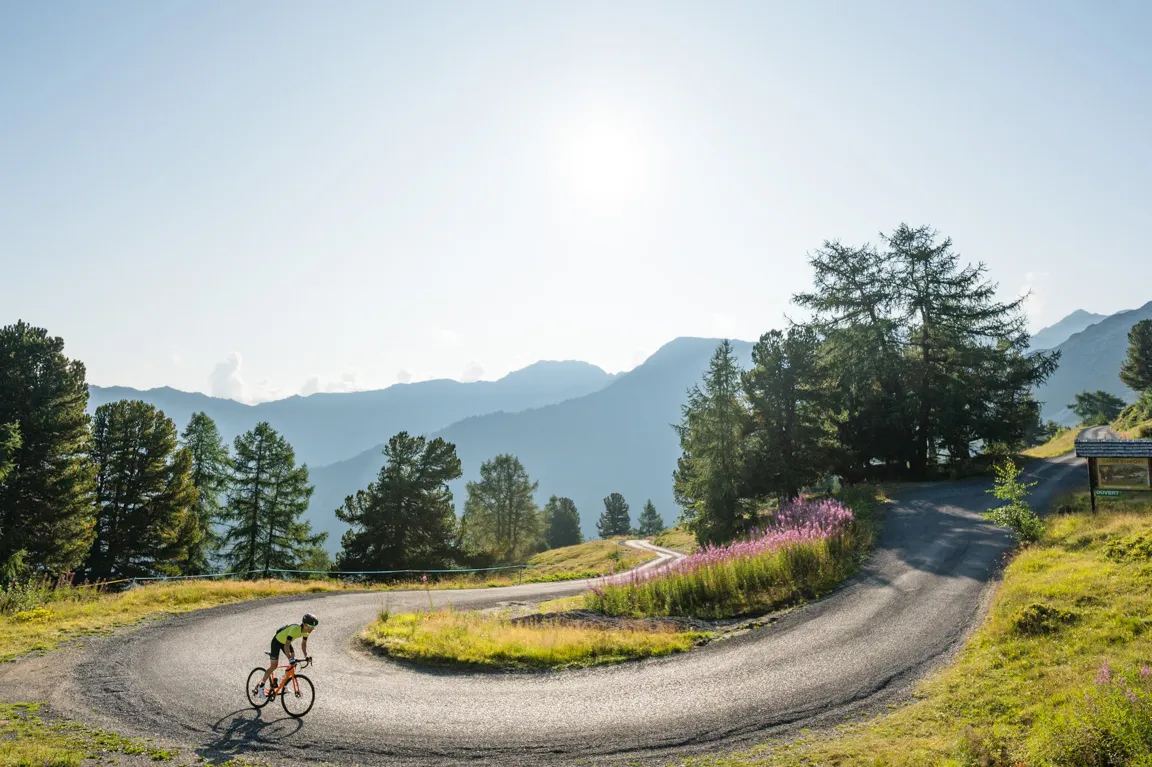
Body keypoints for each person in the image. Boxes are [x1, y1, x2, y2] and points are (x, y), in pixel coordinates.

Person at [253, 613, 318, 697]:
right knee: (274, 666)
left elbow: (303, 644)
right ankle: (261, 687)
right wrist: (290, 659)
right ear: (305, 625)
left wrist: (306, 656)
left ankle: (284, 683)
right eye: (311, 627)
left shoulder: (306, 632)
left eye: (313, 627)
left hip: (286, 642)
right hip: (277, 642)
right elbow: (286, 645)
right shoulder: (294, 629)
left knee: (293, 658)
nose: (312, 629)